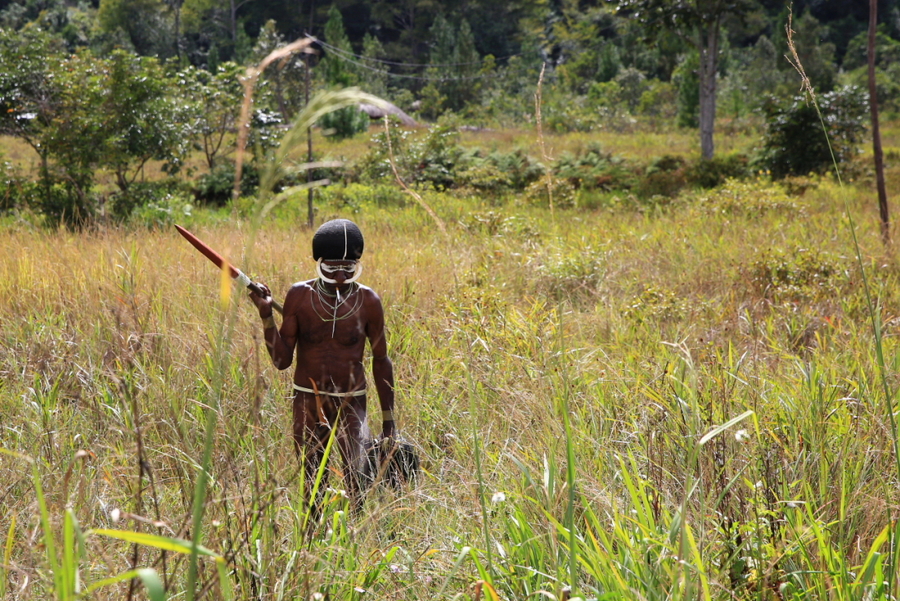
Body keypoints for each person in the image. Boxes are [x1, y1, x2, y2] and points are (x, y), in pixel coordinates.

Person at [248, 219, 395, 514]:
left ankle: (357, 536)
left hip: (352, 402)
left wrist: (389, 422)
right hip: (307, 399)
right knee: (312, 479)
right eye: (331, 268)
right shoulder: (299, 296)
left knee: (358, 478)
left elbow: (381, 360)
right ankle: (312, 537)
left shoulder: (368, 301)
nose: (340, 277)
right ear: (318, 263)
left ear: (357, 265)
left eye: (348, 268)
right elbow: (281, 361)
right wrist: (266, 316)